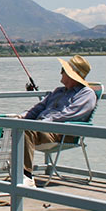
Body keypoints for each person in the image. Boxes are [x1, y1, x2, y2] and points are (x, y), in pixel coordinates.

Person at [16, 55, 95, 187]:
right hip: (42, 127)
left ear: (72, 75)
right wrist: (21, 117)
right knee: (3, 126)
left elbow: (69, 114)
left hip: (61, 132)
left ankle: (26, 175)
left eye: (63, 70)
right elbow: (38, 108)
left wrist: (42, 123)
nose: (60, 72)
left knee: (26, 130)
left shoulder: (86, 94)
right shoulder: (58, 91)